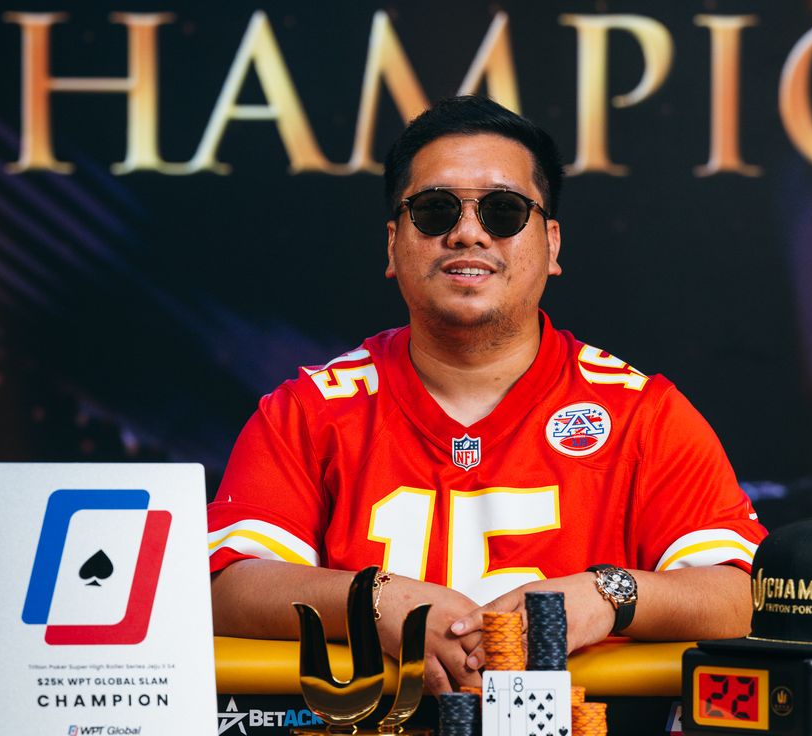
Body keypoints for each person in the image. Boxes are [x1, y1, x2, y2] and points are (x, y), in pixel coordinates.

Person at [207, 96, 765, 694]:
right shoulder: (308, 410)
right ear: (392, 245)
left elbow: (742, 595)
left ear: (552, 244)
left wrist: (605, 595)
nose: (467, 233)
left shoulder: (642, 413)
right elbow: (225, 588)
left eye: (504, 210)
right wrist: (370, 600)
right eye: (434, 210)